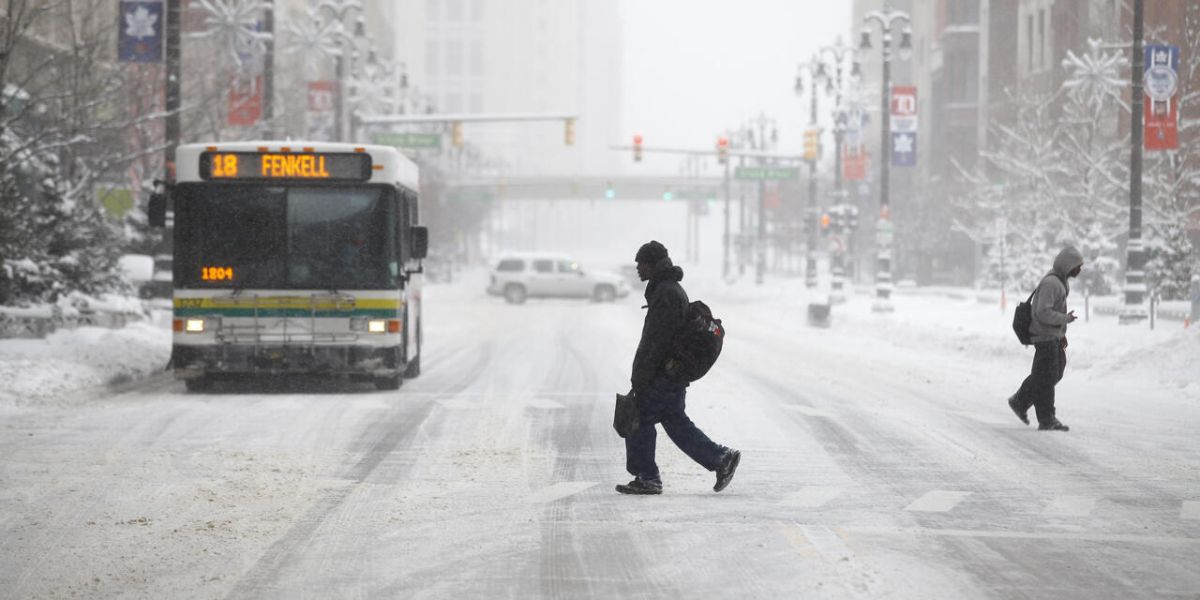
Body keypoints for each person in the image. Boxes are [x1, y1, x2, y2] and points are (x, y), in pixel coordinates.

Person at [617, 240, 740, 495]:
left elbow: (656, 340)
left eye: (642, 263)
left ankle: (648, 477)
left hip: (664, 373)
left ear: (653, 265)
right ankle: (720, 458)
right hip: (671, 372)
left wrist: (641, 377)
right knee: (675, 422)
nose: (638, 268)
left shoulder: (666, 293)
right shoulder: (667, 289)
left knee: (639, 417)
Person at [1008, 246, 1084, 432]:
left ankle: (1020, 401)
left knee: (1051, 374)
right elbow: (1042, 312)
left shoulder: (1059, 282)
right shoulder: (1052, 283)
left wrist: (1061, 334)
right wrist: (1064, 319)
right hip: (1044, 336)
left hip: (1052, 336)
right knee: (1046, 377)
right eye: (1077, 266)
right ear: (1068, 265)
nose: (1080, 269)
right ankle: (1046, 418)